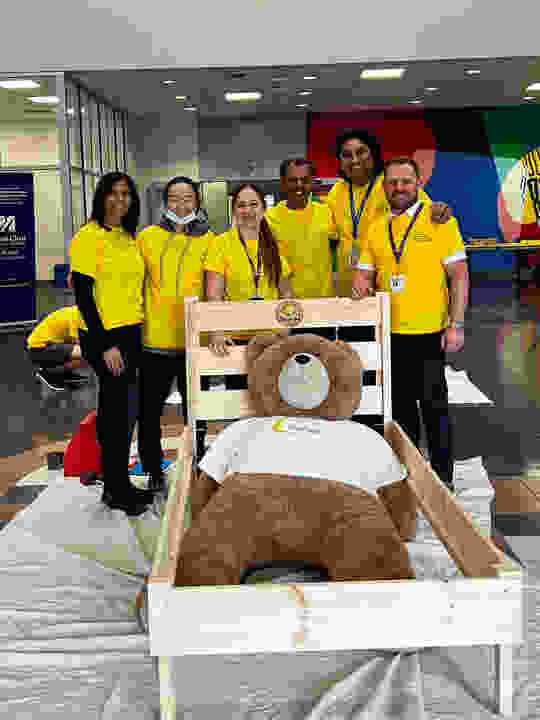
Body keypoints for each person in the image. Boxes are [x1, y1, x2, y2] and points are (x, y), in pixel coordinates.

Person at [352, 157, 469, 491]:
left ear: (418, 183)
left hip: (430, 332)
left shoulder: (439, 221)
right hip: (390, 334)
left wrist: (456, 324)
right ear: (384, 187)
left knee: (434, 407)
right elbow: (364, 272)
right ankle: (409, 475)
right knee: (401, 410)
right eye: (392, 182)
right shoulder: (376, 228)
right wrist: (360, 283)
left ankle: (443, 478)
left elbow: (459, 275)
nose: (399, 188)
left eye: (406, 181)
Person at [69, 172, 153, 516]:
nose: (120, 200)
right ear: (101, 197)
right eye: (113, 193)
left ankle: (117, 482)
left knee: (120, 411)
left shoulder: (127, 237)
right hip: (104, 337)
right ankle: (117, 490)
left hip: (130, 332)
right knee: (118, 413)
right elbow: (83, 296)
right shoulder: (87, 237)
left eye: (126, 194)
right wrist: (105, 345)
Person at [134, 176, 214, 492]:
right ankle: (153, 469)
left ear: (197, 202)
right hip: (154, 342)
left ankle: (198, 464)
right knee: (149, 412)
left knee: (196, 412)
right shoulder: (147, 238)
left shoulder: (210, 240)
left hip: (194, 342)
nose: (181, 205)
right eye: (174, 199)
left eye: (187, 198)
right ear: (164, 203)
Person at [326, 129, 453, 298]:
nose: (354, 160)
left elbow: (430, 212)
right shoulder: (336, 191)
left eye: (361, 152)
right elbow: (328, 232)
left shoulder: (391, 184)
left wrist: (440, 210)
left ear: (373, 154)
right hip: (350, 288)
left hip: (388, 284)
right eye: (347, 155)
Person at [205, 183, 294, 359]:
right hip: (234, 339)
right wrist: (217, 332)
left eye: (254, 204)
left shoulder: (274, 244)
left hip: (272, 339)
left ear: (263, 209)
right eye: (241, 205)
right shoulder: (220, 243)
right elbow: (214, 296)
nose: (248, 211)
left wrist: (286, 328)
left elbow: (286, 293)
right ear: (234, 211)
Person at [26, 305, 90, 390]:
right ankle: (48, 372)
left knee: (88, 351)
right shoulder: (76, 315)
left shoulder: (78, 314)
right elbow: (77, 341)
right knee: (87, 351)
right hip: (40, 349)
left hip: (44, 348)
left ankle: (62, 373)